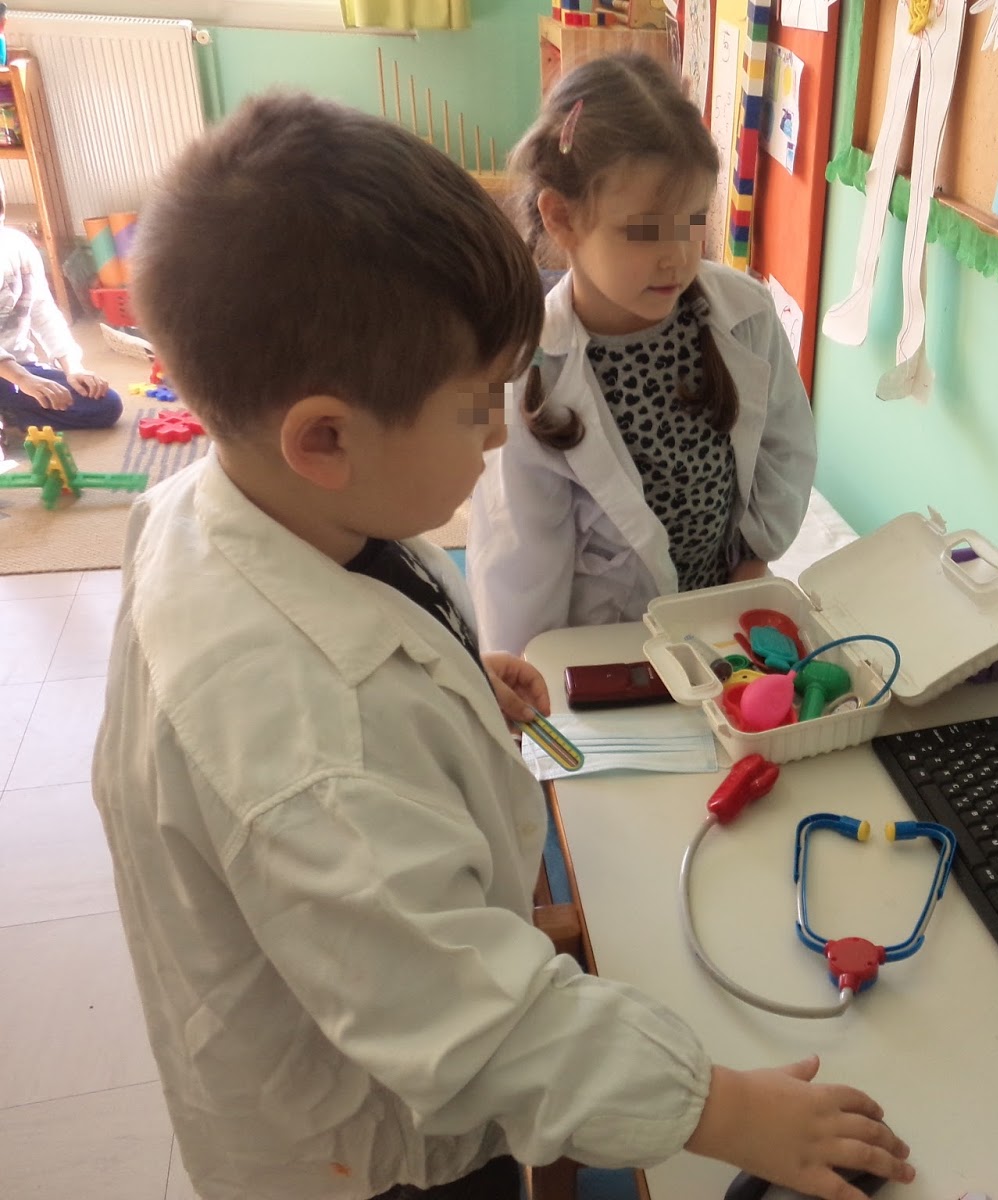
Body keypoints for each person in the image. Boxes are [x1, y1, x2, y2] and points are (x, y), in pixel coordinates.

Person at [91, 93, 911, 1200]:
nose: (496, 434)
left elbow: (360, 627)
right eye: (476, 405)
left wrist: (449, 677)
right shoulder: (308, 742)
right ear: (325, 437)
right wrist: (728, 1113)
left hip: (372, 1023)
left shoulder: (256, 507)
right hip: (372, 1157)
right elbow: (476, 1024)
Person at [468, 54, 816, 658]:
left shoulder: (746, 314)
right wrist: (536, 679)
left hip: (721, 613)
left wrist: (756, 555)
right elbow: (516, 562)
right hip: (606, 648)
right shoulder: (527, 375)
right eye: (644, 231)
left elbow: (786, 446)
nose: (677, 256)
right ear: (562, 218)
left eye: (693, 220)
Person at [0, 179, 121, 436]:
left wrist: (73, 367)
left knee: (106, 405)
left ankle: (10, 411)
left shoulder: (18, 246)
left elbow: (43, 312)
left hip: (18, 369)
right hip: (14, 374)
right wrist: (23, 380)